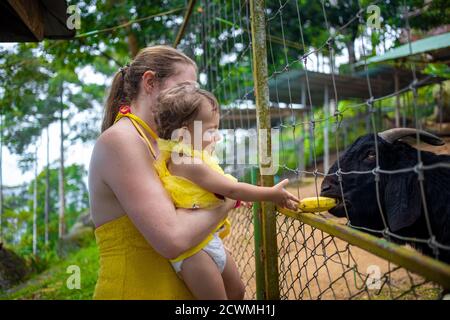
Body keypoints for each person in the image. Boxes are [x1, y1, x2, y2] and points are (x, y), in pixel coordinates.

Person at [89, 45, 237, 299]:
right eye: (186, 89)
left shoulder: (165, 142)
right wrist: (228, 197)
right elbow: (174, 239)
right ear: (150, 82)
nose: (193, 98)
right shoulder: (121, 140)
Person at [149, 81, 299, 299]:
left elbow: (214, 190)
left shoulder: (190, 158)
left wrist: (236, 200)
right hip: (194, 253)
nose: (217, 137)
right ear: (182, 135)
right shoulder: (186, 161)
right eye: (211, 131)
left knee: (236, 291)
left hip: (208, 239)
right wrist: (271, 194)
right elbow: (231, 189)